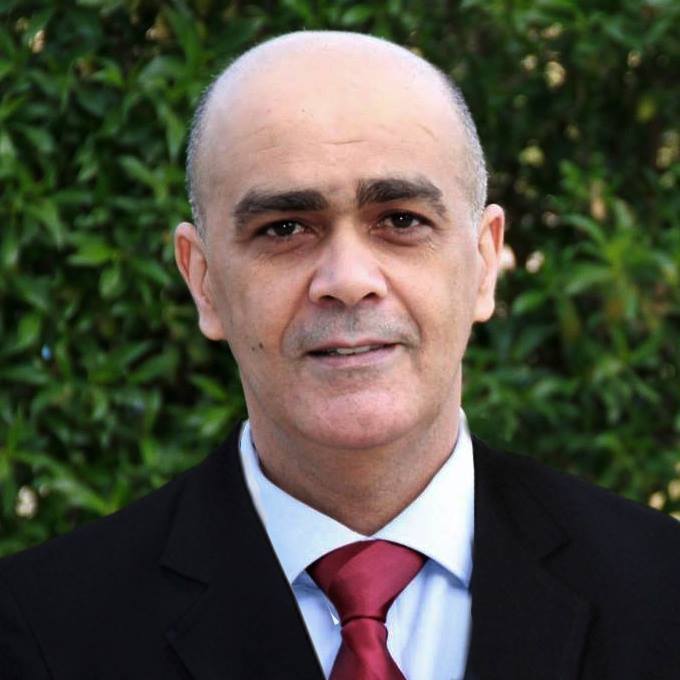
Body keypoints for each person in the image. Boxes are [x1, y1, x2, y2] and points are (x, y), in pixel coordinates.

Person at [1, 31, 679, 680]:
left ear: (482, 264)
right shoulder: (39, 630)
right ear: (204, 282)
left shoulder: (662, 595)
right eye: (284, 228)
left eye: (402, 220)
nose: (349, 279)